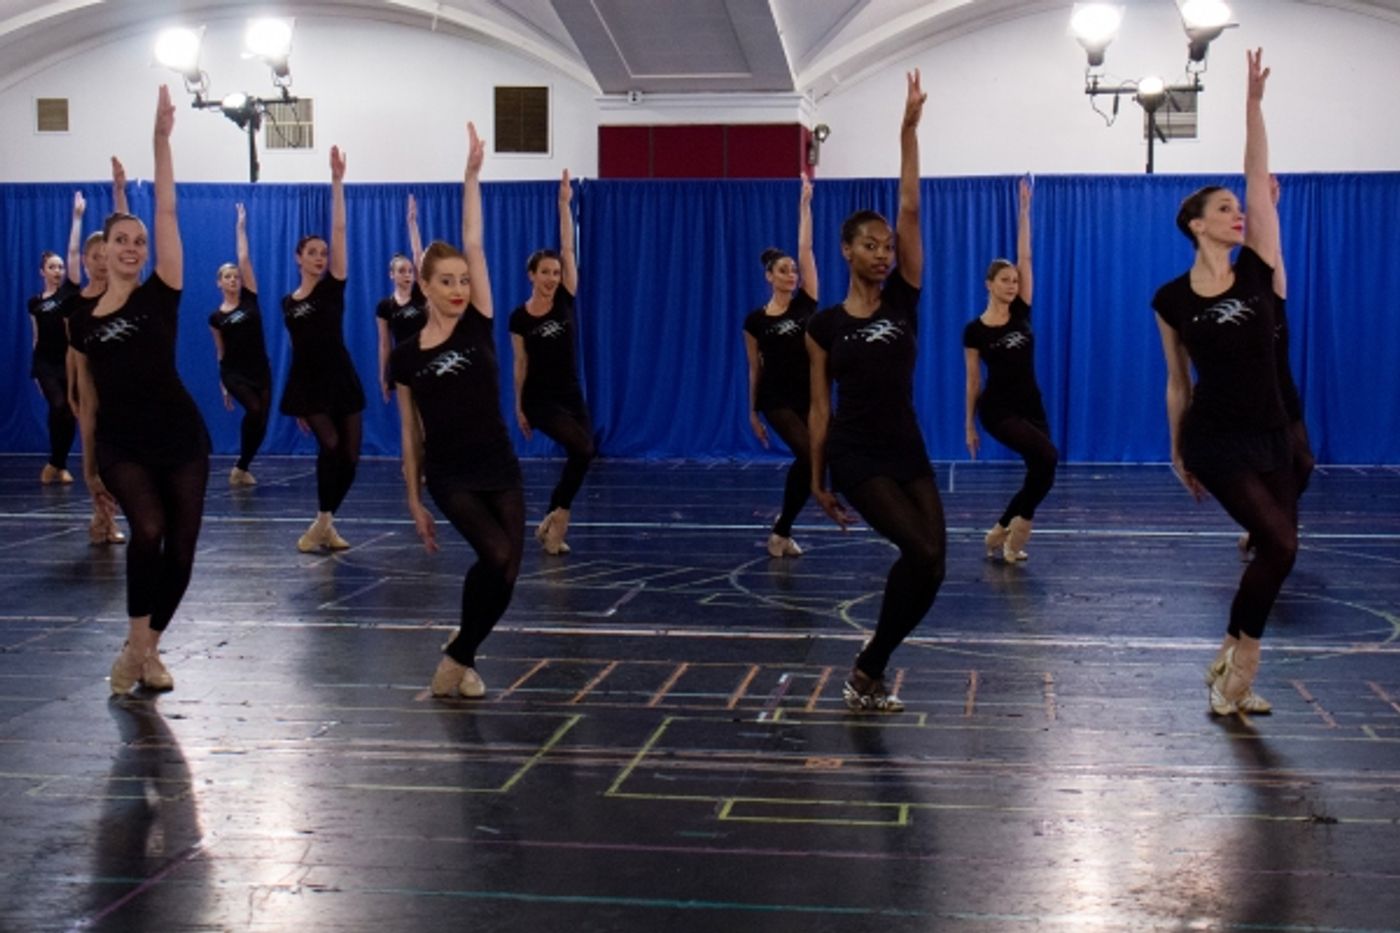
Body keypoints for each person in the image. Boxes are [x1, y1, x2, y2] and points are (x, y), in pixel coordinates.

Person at [1152, 49, 1294, 717]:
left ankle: (1228, 655)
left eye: (1241, 207)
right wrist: (1176, 449)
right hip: (1215, 437)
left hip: (1272, 435)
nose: (1240, 213)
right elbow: (1177, 381)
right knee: (1282, 543)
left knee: (1275, 549)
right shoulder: (1171, 298)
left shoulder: (1262, 271)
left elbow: (1257, 170)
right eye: (1226, 208)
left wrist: (1253, 105)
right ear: (1196, 224)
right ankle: (1241, 668)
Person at [68, 86, 210, 696]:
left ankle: (142, 651)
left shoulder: (162, 291)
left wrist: (161, 140)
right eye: (120, 241)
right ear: (101, 252)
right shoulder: (81, 317)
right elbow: (87, 396)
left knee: (181, 548)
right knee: (146, 529)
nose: (131, 248)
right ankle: (139, 643)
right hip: (122, 443)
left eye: (138, 241)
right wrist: (88, 458)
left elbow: (169, 211)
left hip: (180, 434)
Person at [806, 71, 935, 713]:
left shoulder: (905, 300)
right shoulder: (825, 324)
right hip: (856, 453)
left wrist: (908, 130)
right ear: (847, 251)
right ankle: (868, 670)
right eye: (871, 245)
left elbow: (909, 205)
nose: (884, 252)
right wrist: (817, 476)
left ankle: (869, 668)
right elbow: (818, 405)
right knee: (915, 549)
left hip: (906, 445)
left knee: (933, 565)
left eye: (888, 246)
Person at [392, 123, 523, 699]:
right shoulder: (406, 358)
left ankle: (459, 654)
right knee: (493, 554)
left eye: (463, 281)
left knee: (509, 571)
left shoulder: (480, 323)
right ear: (424, 286)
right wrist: (414, 497)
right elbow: (409, 434)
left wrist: (472, 175)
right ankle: (459, 654)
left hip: (498, 462)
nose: (458, 288)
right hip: (450, 475)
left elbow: (474, 239)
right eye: (446, 281)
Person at [963, 178, 1057, 562]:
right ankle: (1012, 538)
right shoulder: (975, 329)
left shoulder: (1022, 311)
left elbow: (1027, 257)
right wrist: (969, 424)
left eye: (1015, 281)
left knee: (1042, 471)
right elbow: (972, 380)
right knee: (1047, 459)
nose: (1012, 285)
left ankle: (1001, 529)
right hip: (998, 410)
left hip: (1031, 403)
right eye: (1005, 280)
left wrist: (1024, 210)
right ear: (989, 284)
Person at [280, 145, 364, 552]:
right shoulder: (288, 302)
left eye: (323, 253)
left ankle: (324, 522)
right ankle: (323, 521)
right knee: (330, 446)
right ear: (298, 258)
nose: (319, 257)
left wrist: (337, 182)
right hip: (308, 383)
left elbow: (341, 231)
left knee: (350, 456)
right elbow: (299, 348)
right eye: (311, 253)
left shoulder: (335, 285)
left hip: (341, 376)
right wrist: (301, 407)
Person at [508, 170, 594, 555]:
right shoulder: (519, 317)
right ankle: (557, 522)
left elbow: (568, 247)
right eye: (545, 272)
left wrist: (565, 204)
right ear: (532, 275)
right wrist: (518, 406)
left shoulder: (566, 299)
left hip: (571, 393)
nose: (552, 278)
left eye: (556, 273)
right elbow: (519, 363)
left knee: (584, 453)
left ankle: (552, 518)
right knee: (580, 450)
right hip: (540, 399)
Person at [743, 176, 819, 558]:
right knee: (808, 456)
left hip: (809, 396)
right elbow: (753, 369)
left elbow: (805, 246)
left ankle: (782, 530)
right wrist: (753, 412)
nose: (793, 274)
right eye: (784, 270)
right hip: (776, 401)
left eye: (794, 270)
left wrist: (805, 205)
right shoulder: (755, 320)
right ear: (770, 277)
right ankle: (781, 532)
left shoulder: (807, 303)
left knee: (813, 461)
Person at [1238, 175, 1313, 559]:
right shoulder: (1237, 307)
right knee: (1275, 471)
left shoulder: (1276, 298)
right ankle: (1269, 534)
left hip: (1285, 392)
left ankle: (1263, 527)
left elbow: (1273, 251)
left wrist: (1271, 209)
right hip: (1255, 399)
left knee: (1303, 464)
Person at [64, 159, 131, 546]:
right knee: (94, 458)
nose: (102, 264)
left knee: (118, 461)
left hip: (121, 390)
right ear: (87, 262)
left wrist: (119, 191)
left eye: (106, 257)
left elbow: (120, 228)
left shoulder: (119, 297)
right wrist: (74, 393)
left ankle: (109, 514)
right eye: (95, 258)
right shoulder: (79, 307)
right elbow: (77, 362)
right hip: (90, 390)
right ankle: (100, 516)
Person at [208, 203, 272, 487]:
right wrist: (223, 384)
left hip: (260, 368)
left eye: (236, 276)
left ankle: (242, 467)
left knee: (262, 420)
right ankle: (242, 466)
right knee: (254, 411)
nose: (234, 279)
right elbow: (220, 350)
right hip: (233, 372)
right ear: (219, 283)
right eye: (228, 277)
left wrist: (241, 226)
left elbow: (244, 257)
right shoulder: (216, 317)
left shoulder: (250, 299)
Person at [29, 196, 84, 486]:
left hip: (68, 362)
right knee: (59, 406)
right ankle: (56, 462)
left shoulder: (70, 293)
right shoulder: (34, 303)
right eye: (52, 267)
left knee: (70, 411)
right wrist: (36, 373)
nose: (58, 270)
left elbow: (74, 250)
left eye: (61, 267)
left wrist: (77, 218)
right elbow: (36, 336)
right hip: (45, 364)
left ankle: (57, 464)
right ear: (43, 272)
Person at [375, 194, 427, 403]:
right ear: (392, 275)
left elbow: (417, 254)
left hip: (426, 360)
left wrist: (412, 224)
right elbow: (384, 344)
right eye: (402, 271)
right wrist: (383, 375)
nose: (407, 274)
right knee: (409, 421)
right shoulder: (385, 306)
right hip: (402, 364)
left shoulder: (420, 294)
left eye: (410, 271)